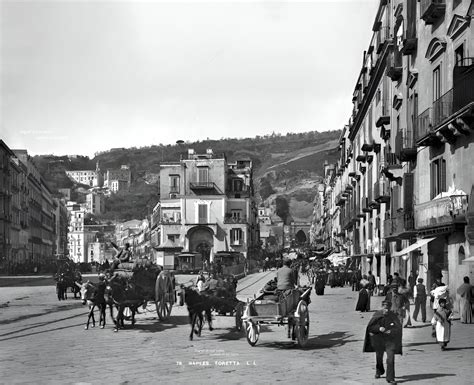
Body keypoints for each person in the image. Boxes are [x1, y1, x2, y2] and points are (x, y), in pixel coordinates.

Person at [363, 300, 402, 384]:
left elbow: (398, 329)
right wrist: (379, 328)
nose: (386, 310)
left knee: (390, 359)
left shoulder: (393, 316)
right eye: (384, 308)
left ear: (390, 308)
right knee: (379, 357)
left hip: (390, 341)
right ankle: (379, 370)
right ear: (382, 307)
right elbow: (370, 327)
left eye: (388, 308)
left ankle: (390, 378)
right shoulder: (377, 315)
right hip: (379, 340)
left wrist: (391, 331)